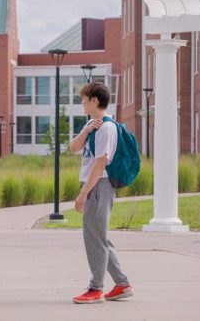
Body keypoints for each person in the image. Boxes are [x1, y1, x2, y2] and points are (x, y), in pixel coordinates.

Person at [68, 81, 133, 304]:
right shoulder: (94, 125)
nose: (82, 103)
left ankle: (96, 289)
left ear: (94, 100)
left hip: (99, 186)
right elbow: (73, 148)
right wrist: (86, 130)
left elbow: (101, 163)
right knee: (100, 236)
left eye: (84, 99)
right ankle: (122, 284)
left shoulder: (107, 128)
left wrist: (84, 193)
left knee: (94, 238)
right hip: (95, 186)